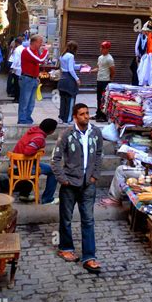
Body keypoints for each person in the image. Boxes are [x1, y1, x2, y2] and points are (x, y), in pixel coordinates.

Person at [51, 103, 103, 272]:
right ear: (75, 117)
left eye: (87, 113)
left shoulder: (96, 133)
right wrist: (63, 179)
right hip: (70, 184)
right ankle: (66, 248)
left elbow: (99, 154)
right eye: (82, 114)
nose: (86, 116)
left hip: (88, 184)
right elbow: (55, 159)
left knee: (88, 220)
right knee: (66, 218)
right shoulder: (67, 134)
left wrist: (95, 175)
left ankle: (89, 257)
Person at [100, 124, 152, 207]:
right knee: (129, 163)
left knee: (120, 170)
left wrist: (136, 156)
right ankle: (120, 193)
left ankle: (115, 198)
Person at [12, 118, 59, 204]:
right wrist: (38, 152)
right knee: (54, 171)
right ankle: (47, 199)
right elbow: (27, 151)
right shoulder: (39, 138)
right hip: (24, 164)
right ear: (51, 131)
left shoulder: (34, 131)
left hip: (18, 162)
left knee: (39, 166)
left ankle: (24, 194)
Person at [18, 34, 49, 125]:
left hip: (33, 78)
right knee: (25, 100)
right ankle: (22, 119)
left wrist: (37, 77)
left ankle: (27, 118)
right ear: (34, 42)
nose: (41, 44)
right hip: (27, 79)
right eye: (40, 42)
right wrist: (46, 50)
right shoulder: (27, 51)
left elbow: (38, 62)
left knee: (31, 102)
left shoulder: (35, 51)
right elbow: (40, 60)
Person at [57, 41, 82, 125]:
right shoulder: (71, 56)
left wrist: (80, 66)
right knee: (70, 100)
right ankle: (68, 119)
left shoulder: (62, 55)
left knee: (63, 100)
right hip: (69, 80)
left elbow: (69, 66)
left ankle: (61, 117)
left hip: (62, 79)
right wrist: (77, 79)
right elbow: (71, 69)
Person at [90, 41, 115, 122]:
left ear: (108, 49)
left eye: (103, 48)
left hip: (105, 81)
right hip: (99, 80)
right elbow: (98, 68)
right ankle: (98, 114)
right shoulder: (100, 57)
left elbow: (112, 71)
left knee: (104, 99)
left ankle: (103, 116)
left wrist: (110, 80)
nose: (101, 49)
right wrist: (91, 70)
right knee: (99, 98)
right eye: (101, 47)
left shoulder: (109, 59)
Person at [10, 37, 26, 103]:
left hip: (17, 69)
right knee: (20, 84)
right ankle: (19, 97)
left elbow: (16, 60)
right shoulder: (24, 49)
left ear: (16, 43)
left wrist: (12, 68)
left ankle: (17, 98)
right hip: (22, 68)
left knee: (16, 84)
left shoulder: (17, 50)